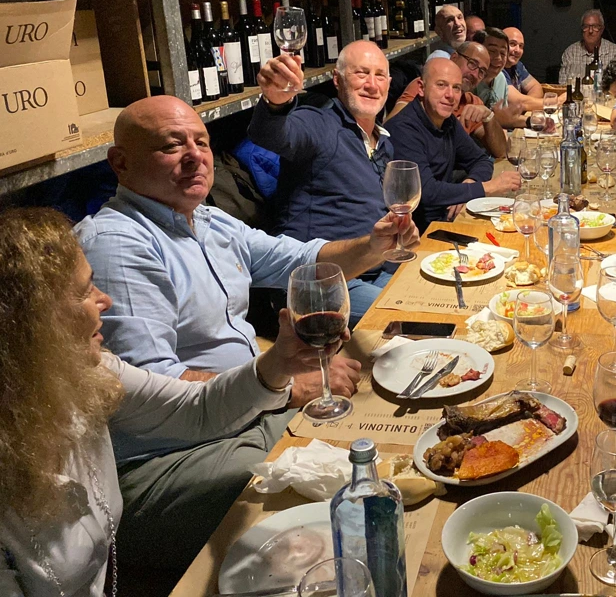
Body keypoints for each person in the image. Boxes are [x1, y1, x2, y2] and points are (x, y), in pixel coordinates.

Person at [75, 95, 409, 579]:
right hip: (172, 455)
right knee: (320, 506)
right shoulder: (119, 244)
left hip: (245, 409)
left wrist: (375, 245)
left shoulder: (208, 220)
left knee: (369, 440)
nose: (195, 156)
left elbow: (306, 261)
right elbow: (154, 396)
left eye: (201, 142)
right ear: (120, 163)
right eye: (172, 145)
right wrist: (285, 387)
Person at [1, 207, 344, 595]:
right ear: (28, 322)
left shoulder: (86, 372)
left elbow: (197, 409)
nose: (105, 300)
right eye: (84, 292)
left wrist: (279, 363)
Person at [248, 41, 420, 323]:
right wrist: (275, 102)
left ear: (389, 84)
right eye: (361, 73)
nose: (372, 85)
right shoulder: (319, 123)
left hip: (376, 269)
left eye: (379, 75)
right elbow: (271, 134)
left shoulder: (383, 143)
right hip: (321, 282)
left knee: (443, 298)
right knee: (411, 320)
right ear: (337, 80)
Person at [388, 57, 521, 227]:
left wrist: (470, 185)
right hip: (416, 231)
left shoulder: (447, 120)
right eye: (441, 85)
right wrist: (488, 187)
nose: (450, 95)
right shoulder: (403, 129)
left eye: (456, 88)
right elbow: (426, 192)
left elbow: (480, 160)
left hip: (446, 218)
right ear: (421, 88)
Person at [390, 41, 507, 158]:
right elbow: (393, 130)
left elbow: (500, 151)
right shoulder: (427, 88)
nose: (475, 74)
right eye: (472, 64)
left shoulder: (472, 103)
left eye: (481, 72)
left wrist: (489, 116)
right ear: (454, 58)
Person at [559, 9, 616, 84]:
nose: (590, 31)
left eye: (595, 26)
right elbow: (562, 84)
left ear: (602, 29)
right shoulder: (570, 53)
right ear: (582, 29)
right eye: (586, 26)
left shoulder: (614, 51)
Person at [503, 26, 546, 97]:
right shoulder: (496, 69)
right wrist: (558, 100)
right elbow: (516, 100)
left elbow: (536, 87)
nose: (517, 50)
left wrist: (528, 101)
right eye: (512, 44)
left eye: (521, 46)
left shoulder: (518, 66)